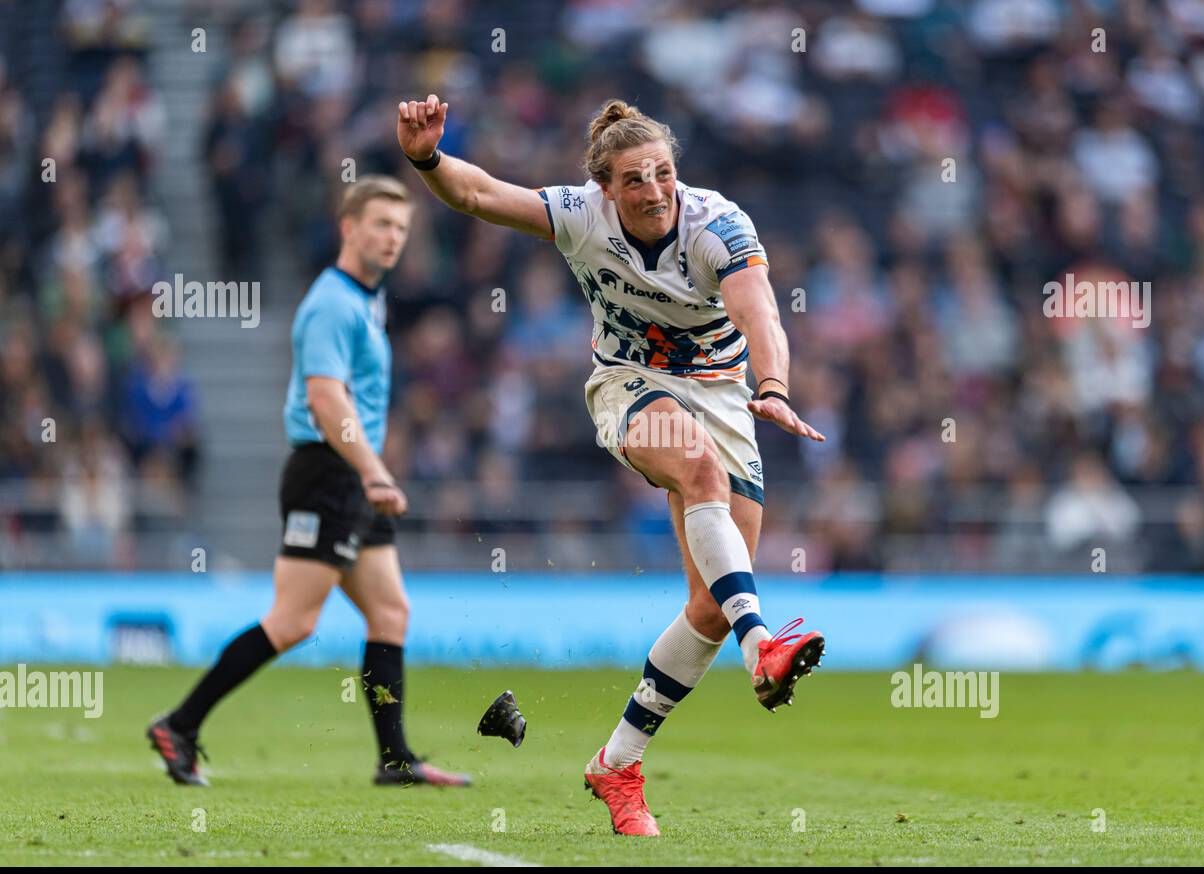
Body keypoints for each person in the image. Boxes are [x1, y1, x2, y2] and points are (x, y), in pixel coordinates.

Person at [396, 95, 825, 835]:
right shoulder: (577, 214)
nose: (654, 190)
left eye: (662, 173)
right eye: (634, 180)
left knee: (708, 606)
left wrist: (773, 387)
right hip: (630, 385)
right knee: (699, 475)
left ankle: (617, 762)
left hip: (726, 394)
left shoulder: (718, 224)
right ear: (605, 188)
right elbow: (476, 193)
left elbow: (762, 315)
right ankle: (766, 646)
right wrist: (426, 157)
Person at [146, 175, 470, 789]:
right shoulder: (333, 303)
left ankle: (395, 759)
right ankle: (179, 725)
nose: (393, 238)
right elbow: (325, 400)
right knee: (294, 620)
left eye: (401, 228)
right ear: (348, 228)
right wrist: (373, 471)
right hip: (329, 473)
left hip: (352, 476)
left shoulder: (367, 299)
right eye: (381, 224)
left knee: (390, 611)